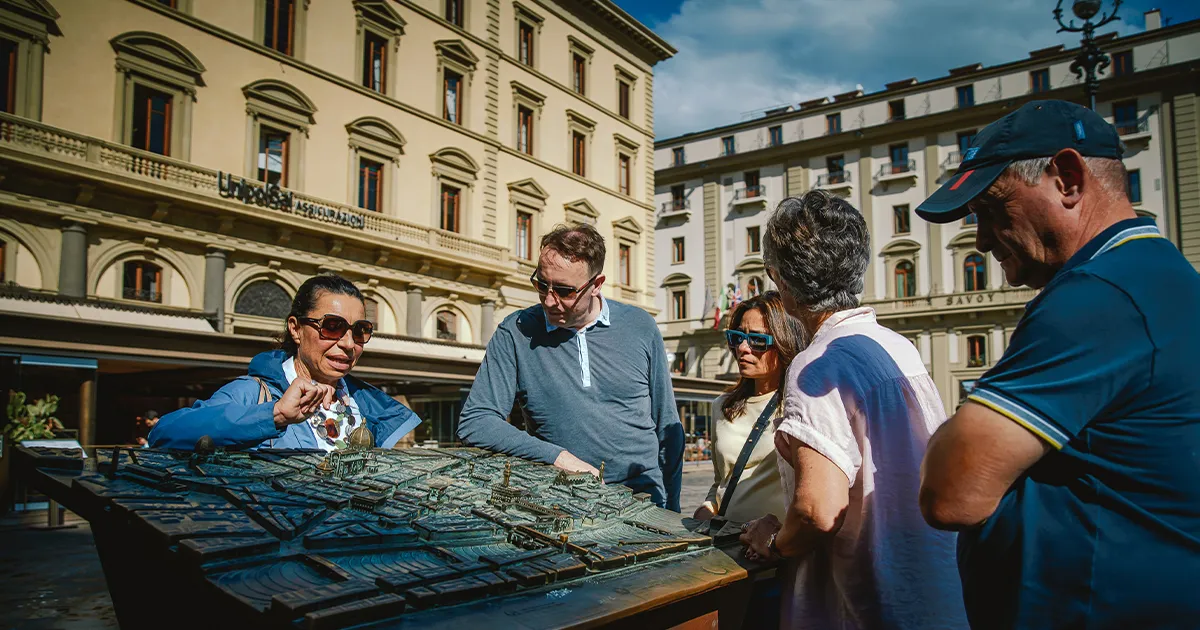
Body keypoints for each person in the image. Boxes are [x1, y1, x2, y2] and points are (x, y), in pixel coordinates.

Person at [917, 100, 1200, 629]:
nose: (979, 239)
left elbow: (950, 494)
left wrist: (948, 436)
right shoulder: (1155, 275)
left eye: (993, 208)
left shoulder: (1099, 295)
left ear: (1068, 179)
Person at [738, 191, 967, 629]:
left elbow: (817, 510)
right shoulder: (899, 346)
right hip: (931, 586)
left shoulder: (818, 362)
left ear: (780, 278)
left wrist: (774, 540)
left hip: (868, 602)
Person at [457, 223, 684, 511]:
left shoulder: (640, 326)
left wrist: (672, 510)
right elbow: (476, 421)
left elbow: (669, 428)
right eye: (542, 284)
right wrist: (558, 457)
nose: (549, 300)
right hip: (559, 502)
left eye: (564, 291)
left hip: (642, 499)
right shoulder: (516, 331)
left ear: (596, 285)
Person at [149, 274, 422, 450]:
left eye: (360, 330)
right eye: (332, 326)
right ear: (295, 328)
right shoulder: (253, 393)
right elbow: (164, 433)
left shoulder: (369, 405)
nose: (349, 344)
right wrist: (275, 414)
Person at [693, 291, 801, 524]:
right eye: (737, 337)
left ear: (785, 342)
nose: (743, 348)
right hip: (725, 543)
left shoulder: (799, 405)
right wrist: (706, 509)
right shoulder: (722, 406)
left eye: (757, 340)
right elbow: (721, 481)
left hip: (774, 549)